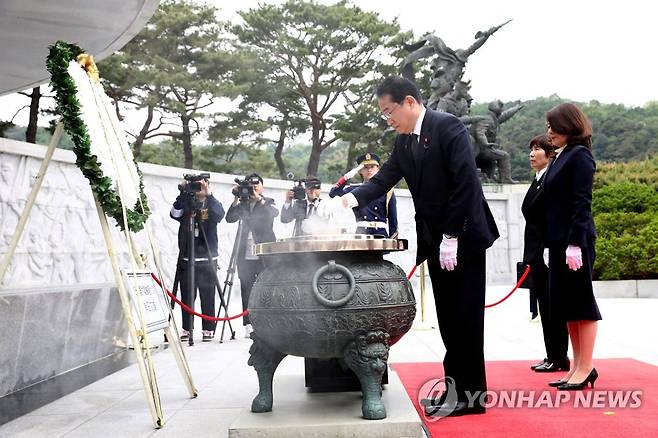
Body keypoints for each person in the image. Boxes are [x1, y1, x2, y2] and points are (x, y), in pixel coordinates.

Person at [340, 76, 499, 416]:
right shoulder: (404, 142)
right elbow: (384, 179)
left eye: (389, 111)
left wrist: (453, 236)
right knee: (448, 320)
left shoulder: (448, 127)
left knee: (465, 320)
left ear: (409, 102)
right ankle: (456, 389)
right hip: (436, 240)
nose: (388, 119)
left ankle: (471, 398)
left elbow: (465, 184)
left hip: (464, 238)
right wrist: (349, 200)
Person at [543, 103, 601, 390]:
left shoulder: (579, 156)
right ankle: (577, 366)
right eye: (548, 127)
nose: (549, 132)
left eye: (554, 126)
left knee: (581, 304)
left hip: (574, 242)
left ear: (570, 126)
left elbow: (582, 203)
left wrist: (575, 243)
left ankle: (586, 366)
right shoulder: (560, 156)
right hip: (558, 243)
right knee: (567, 307)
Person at [522, 134, 570, 373]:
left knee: (553, 307)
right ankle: (552, 354)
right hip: (536, 253)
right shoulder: (539, 179)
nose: (532, 154)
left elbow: (553, 216)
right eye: (531, 149)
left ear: (550, 153)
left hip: (547, 250)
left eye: (537, 149)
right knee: (544, 306)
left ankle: (559, 357)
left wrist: (550, 248)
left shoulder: (551, 179)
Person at [170, 177, 225, 342]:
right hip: (188, 255)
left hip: (208, 256)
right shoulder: (187, 200)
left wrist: (209, 195)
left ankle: (209, 329)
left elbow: (219, 215)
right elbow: (174, 214)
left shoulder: (212, 202)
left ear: (208, 184)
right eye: (196, 184)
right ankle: (187, 328)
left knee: (208, 293)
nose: (198, 187)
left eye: (201, 184)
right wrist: (182, 194)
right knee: (186, 294)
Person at [226, 173, 278, 338]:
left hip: (264, 254)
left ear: (262, 186)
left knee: (266, 288)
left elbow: (273, 214)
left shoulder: (268, 202)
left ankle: (267, 322)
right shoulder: (243, 203)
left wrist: (258, 198)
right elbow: (229, 219)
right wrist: (236, 198)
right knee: (246, 288)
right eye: (251, 185)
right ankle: (248, 324)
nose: (254, 187)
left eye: (257, 184)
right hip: (245, 255)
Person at [329, 153, 398, 238]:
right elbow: (333, 193)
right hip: (361, 234)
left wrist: (392, 240)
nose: (369, 170)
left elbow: (393, 219)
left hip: (380, 234)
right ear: (360, 170)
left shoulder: (387, 191)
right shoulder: (354, 189)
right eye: (365, 167)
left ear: (378, 169)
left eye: (372, 167)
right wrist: (347, 177)